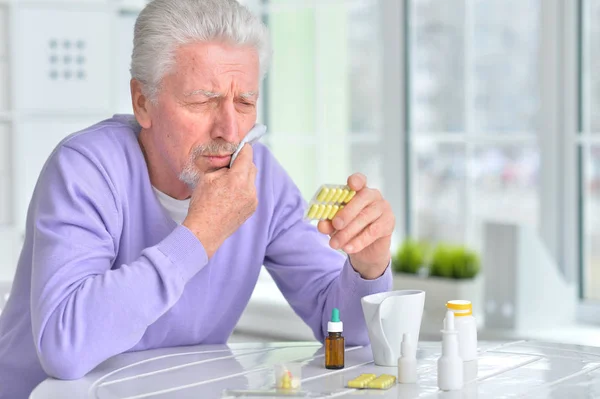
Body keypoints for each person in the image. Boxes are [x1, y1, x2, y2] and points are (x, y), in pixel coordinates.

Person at [0, 0, 395, 397]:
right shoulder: (86, 168)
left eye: (245, 102)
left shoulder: (262, 178)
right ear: (143, 102)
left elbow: (343, 329)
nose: (229, 129)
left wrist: (369, 267)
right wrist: (200, 234)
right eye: (203, 101)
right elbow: (63, 347)